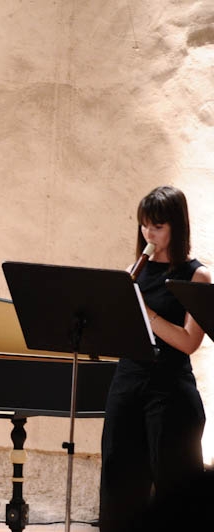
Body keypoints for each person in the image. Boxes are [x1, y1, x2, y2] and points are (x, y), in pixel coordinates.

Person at [99, 185, 211, 532]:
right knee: (118, 479)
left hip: (170, 390)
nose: (149, 233)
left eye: (158, 226)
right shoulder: (132, 272)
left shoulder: (197, 275)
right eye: (144, 225)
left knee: (174, 488)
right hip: (128, 383)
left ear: (177, 227)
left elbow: (189, 342)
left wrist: (146, 313)